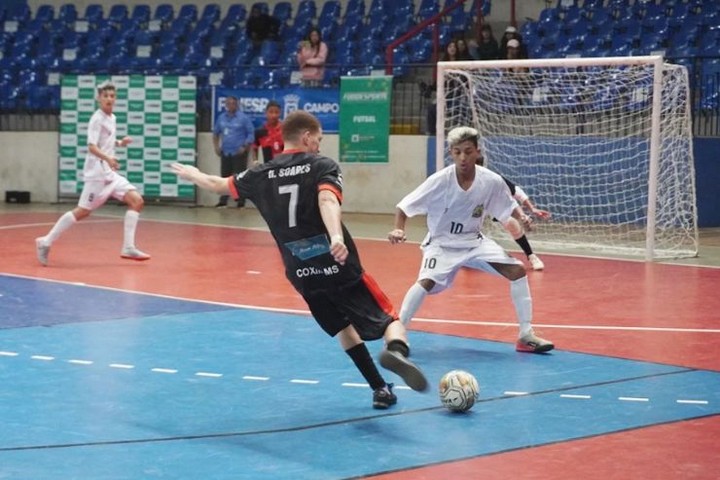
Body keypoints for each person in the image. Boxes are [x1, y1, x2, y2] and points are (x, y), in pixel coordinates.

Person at [170, 110, 428, 409]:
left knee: (342, 327)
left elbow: (218, 184)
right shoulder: (321, 165)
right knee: (390, 320)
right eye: (318, 139)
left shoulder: (259, 173)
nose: (318, 145)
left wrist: (194, 174)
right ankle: (396, 352)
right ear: (306, 137)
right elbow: (327, 199)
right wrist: (335, 236)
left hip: (300, 270)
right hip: (337, 262)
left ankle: (380, 389)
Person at [388, 126, 554, 353]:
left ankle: (526, 336)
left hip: (474, 242)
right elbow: (404, 207)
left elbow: (507, 205)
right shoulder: (440, 180)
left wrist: (522, 217)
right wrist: (398, 229)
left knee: (517, 271)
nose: (463, 158)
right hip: (442, 244)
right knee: (426, 282)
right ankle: (397, 335)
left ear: (477, 151)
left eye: (468, 151)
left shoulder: (491, 180)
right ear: (451, 153)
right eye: (457, 152)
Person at [35, 81, 150, 266]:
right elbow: (92, 146)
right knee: (82, 211)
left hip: (110, 174)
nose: (109, 99)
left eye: (112, 96)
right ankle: (45, 241)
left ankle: (128, 247)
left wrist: (120, 143)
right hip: (97, 174)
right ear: (99, 98)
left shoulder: (112, 118)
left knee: (137, 201)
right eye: (105, 96)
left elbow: (106, 141)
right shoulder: (96, 119)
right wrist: (108, 158)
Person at [476, 156, 550, 271]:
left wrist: (530, 210)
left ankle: (531, 256)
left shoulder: (494, 179)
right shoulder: (457, 179)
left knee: (511, 224)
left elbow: (515, 192)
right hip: (472, 207)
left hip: (492, 205)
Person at [212, 95, 255, 208]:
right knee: (225, 177)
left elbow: (251, 134)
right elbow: (216, 133)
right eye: (229, 103)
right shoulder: (221, 118)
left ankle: (241, 201)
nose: (231, 105)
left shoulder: (244, 118)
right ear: (226, 105)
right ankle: (223, 201)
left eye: (233, 103)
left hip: (239, 152)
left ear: (237, 105)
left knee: (239, 178)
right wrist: (216, 146)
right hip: (226, 152)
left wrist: (244, 146)